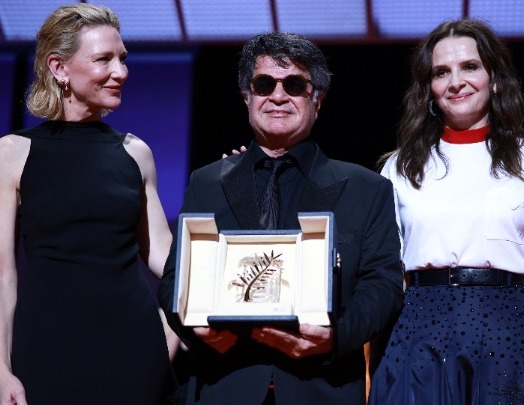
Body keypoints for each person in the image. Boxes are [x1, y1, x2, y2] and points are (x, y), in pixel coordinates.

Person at [0, 4, 174, 404]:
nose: (121, 72)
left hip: (134, 347)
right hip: (46, 347)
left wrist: (177, 326)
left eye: (122, 58)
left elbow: (164, 255)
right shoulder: (11, 153)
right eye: (104, 59)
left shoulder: (135, 152)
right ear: (59, 68)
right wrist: (1, 372)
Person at [157, 32, 405, 405]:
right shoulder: (206, 182)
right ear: (247, 97)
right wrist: (194, 329)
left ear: (317, 99)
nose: (277, 96)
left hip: (322, 388)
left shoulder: (366, 189)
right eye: (264, 84)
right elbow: (175, 279)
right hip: (226, 385)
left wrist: (335, 337)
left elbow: (383, 284)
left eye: (294, 85)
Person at [369, 19, 524, 404]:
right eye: (441, 72)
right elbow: (387, 271)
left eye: (469, 67)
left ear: (495, 79)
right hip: (421, 332)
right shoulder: (400, 167)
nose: (456, 82)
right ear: (429, 88)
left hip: (510, 330)